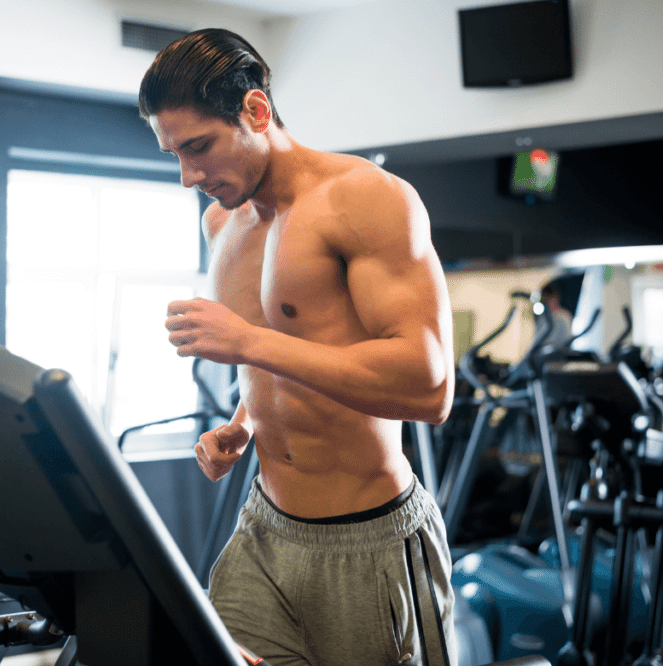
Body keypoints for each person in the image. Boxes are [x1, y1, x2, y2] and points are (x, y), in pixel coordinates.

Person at [139, 28, 457, 666]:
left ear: (256, 110)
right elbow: (292, 352)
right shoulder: (222, 222)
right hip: (263, 528)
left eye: (199, 147)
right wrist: (242, 422)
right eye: (175, 153)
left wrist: (250, 340)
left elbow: (429, 387)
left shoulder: (365, 199)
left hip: (367, 539)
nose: (188, 176)